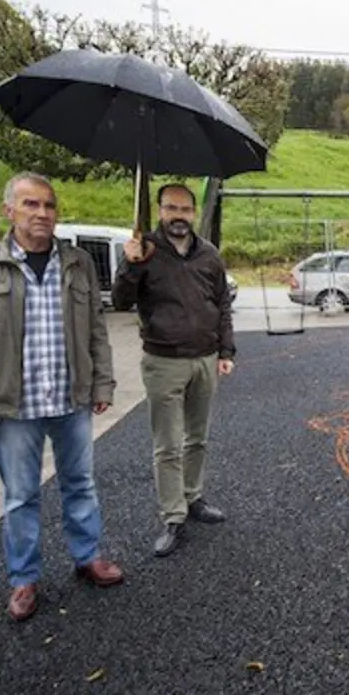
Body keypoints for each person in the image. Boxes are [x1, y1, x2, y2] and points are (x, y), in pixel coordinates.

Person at [0, 172, 124, 622]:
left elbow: (96, 331)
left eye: (49, 205)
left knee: (80, 484)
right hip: (14, 406)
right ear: (9, 211)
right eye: (31, 204)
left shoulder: (78, 263)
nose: (42, 213)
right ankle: (24, 578)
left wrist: (102, 383)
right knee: (20, 495)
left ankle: (87, 557)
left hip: (70, 399)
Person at [112, 182, 236, 557]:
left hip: (205, 359)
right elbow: (121, 302)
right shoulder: (145, 250)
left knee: (197, 438)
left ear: (193, 213)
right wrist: (132, 265)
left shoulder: (209, 254)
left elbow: (222, 304)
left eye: (184, 209)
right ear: (160, 210)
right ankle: (173, 516)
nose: (178, 216)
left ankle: (193, 496)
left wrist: (225, 350)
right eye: (171, 208)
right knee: (167, 445)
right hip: (163, 361)